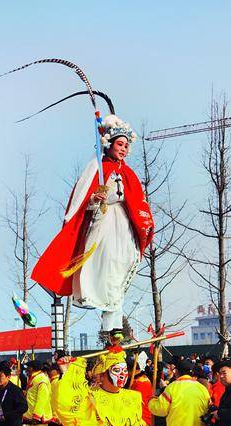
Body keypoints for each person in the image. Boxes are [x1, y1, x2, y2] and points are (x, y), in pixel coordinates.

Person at [31, 114, 154, 333]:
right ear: (109, 144)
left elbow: (138, 203)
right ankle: (110, 327)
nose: (123, 149)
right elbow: (81, 201)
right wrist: (93, 200)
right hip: (104, 223)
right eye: (119, 144)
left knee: (119, 270)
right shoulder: (96, 168)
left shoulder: (128, 173)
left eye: (126, 145)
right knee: (106, 269)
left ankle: (115, 325)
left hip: (124, 225)